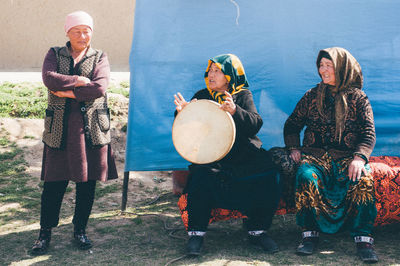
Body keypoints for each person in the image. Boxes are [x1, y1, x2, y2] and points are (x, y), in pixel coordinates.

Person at [174, 54, 280, 256]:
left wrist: (235, 111)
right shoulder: (202, 95)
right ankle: (197, 235)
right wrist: (182, 113)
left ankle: (257, 231)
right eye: (210, 70)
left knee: (267, 173)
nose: (211, 75)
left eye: (217, 71)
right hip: (212, 156)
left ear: (230, 75)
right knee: (200, 176)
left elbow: (255, 123)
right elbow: (188, 129)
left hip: (243, 155)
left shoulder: (242, 95)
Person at [31, 11, 118, 255]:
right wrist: (79, 80)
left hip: (90, 130)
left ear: (92, 32)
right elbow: (49, 79)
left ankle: (80, 229)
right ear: (67, 32)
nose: (82, 35)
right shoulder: (54, 53)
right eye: (77, 31)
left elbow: (100, 87)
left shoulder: (100, 56)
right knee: (54, 184)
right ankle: (44, 232)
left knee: (86, 183)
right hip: (60, 129)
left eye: (86, 30)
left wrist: (69, 92)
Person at [283, 47, 378, 263]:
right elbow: (292, 124)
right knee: (306, 176)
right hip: (315, 157)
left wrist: (359, 158)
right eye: (321, 65)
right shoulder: (311, 96)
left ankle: (363, 238)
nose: (323, 70)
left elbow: (368, 133)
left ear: (342, 68)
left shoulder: (358, 99)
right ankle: (309, 234)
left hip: (347, 157)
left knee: (363, 179)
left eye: (329, 65)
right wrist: (294, 148)